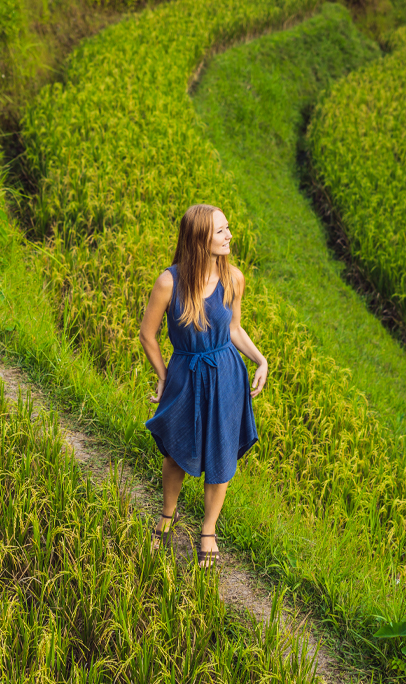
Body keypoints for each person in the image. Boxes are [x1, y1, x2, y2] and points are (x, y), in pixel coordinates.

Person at [139, 203, 268, 569]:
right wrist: (164, 376)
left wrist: (261, 360)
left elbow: (233, 330)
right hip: (186, 372)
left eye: (228, 228)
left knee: (221, 453)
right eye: (221, 231)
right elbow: (147, 335)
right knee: (176, 452)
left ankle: (208, 530)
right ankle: (168, 514)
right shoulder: (170, 282)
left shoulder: (233, 279)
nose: (229, 236)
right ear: (199, 239)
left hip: (227, 373)